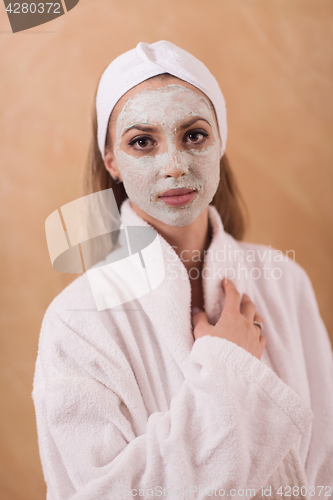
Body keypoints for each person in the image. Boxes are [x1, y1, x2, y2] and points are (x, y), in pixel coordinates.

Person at [32, 41, 333, 500]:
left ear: (220, 142)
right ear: (111, 160)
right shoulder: (75, 321)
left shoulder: (285, 280)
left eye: (194, 135)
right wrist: (228, 370)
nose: (174, 166)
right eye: (142, 142)